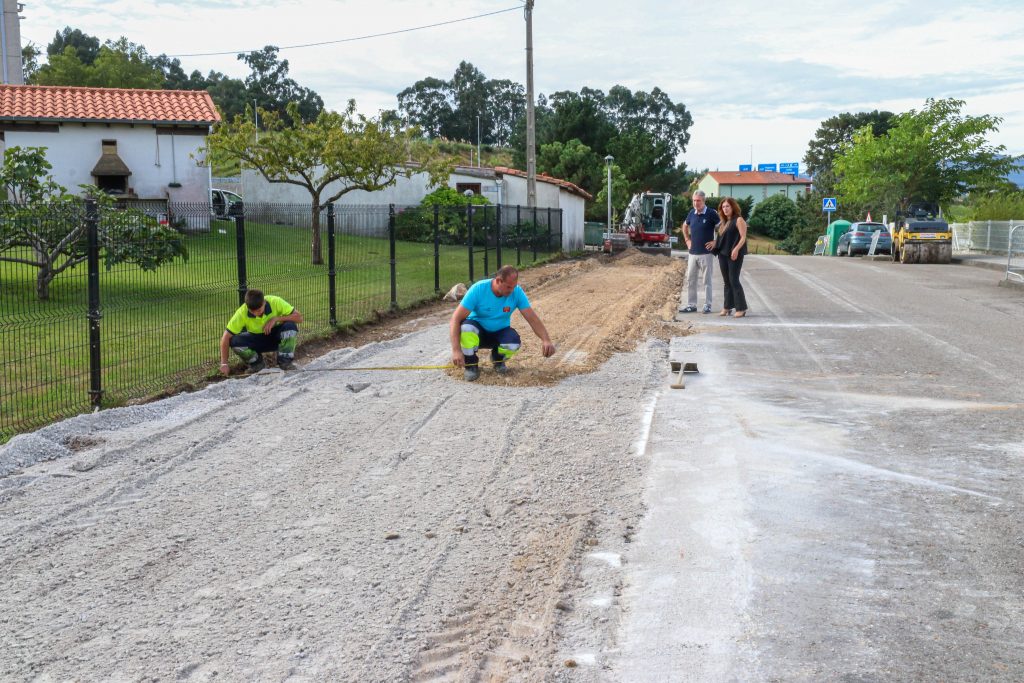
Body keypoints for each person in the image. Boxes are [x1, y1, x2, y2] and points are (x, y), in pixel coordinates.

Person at [449, 265, 556, 381]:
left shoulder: (516, 292)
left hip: (499, 332)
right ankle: (471, 366)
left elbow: (532, 318)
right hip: (478, 333)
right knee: (467, 327)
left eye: (514, 287)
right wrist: (456, 350)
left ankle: (497, 360)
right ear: (498, 281)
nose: (512, 291)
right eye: (509, 287)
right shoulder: (478, 289)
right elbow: (455, 319)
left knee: (513, 342)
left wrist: (546, 339)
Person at [219, 289, 304, 375]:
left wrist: (276, 319)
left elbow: (299, 318)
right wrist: (224, 364)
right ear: (247, 307)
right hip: (256, 340)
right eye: (252, 311)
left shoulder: (276, 301)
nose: (256, 314)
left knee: (290, 326)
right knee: (235, 341)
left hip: (276, 338)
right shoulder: (242, 312)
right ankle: (257, 365)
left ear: (264, 302)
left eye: (259, 310)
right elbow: (225, 337)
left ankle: (285, 362)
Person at [678, 190, 719, 314]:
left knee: (707, 280)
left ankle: (707, 305)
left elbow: (721, 227)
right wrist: (687, 240)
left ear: (704, 201)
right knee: (691, 279)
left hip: (706, 253)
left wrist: (716, 242)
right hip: (693, 253)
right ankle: (692, 304)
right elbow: (685, 226)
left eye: (698, 201)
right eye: (694, 201)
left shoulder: (711, 213)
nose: (696, 203)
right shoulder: (691, 213)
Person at [715, 196, 749, 318]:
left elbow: (743, 237)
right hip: (723, 254)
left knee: (734, 280)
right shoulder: (723, 222)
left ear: (733, 207)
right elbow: (722, 239)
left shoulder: (739, 220)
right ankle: (727, 307)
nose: (725, 209)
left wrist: (736, 249)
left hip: (735, 254)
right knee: (726, 282)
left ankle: (741, 308)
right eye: (723, 207)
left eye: (727, 206)